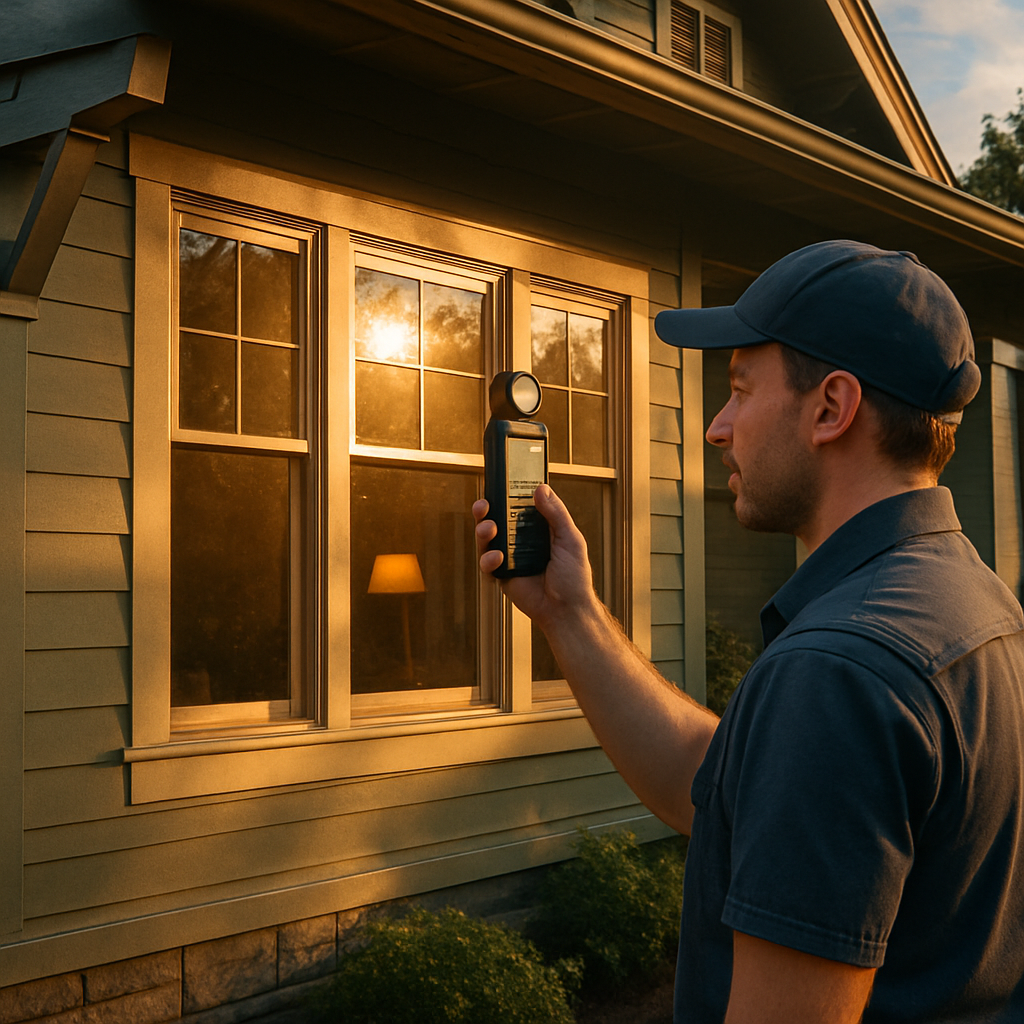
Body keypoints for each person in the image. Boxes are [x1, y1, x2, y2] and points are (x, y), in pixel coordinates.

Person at [474, 240, 1024, 1023]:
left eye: (738, 389)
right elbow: (722, 791)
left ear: (831, 408)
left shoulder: (841, 673)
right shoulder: (982, 609)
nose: (716, 428)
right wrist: (570, 609)